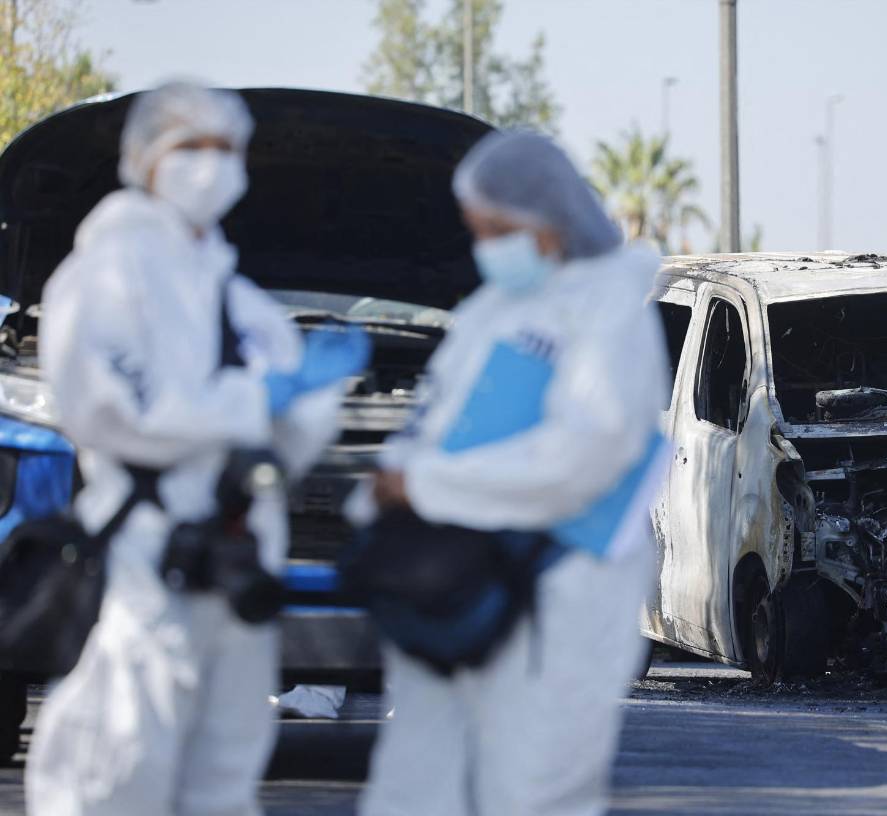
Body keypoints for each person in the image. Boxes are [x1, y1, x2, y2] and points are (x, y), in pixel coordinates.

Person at [25, 81, 367, 815]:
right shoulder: (99, 278)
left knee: (226, 772)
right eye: (191, 147)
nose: (212, 165)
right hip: (150, 564)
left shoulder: (238, 297)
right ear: (145, 158)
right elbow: (114, 412)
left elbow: (293, 437)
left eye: (227, 149)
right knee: (121, 765)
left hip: (240, 564)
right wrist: (257, 401)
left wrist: (310, 403)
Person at [357, 131, 670, 816]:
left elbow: (585, 454)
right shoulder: (488, 312)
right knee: (418, 786)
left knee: (532, 792)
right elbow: (431, 425)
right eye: (478, 231)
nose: (488, 246)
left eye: (498, 229)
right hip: (462, 585)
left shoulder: (610, 308)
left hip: (560, 595)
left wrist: (425, 487)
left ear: (548, 219)